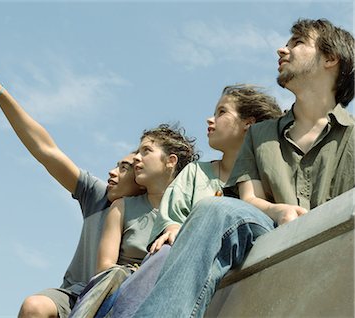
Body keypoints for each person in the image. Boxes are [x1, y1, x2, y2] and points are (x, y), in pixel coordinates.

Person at [129, 18, 354, 317]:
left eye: (297, 43)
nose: (281, 50)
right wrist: (278, 211)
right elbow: (249, 199)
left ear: (330, 58)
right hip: (268, 232)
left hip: (337, 244)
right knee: (215, 209)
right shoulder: (260, 135)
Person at [0, 47, 145, 318]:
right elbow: (45, 150)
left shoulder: (160, 212)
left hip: (121, 306)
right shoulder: (98, 195)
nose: (112, 172)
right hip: (74, 298)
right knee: (35, 306)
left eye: (124, 168)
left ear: (142, 177)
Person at [107, 84, 282, 318]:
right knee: (161, 256)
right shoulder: (195, 172)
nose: (210, 120)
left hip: (247, 262)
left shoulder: (266, 173)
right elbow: (171, 217)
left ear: (248, 124)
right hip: (190, 263)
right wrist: (171, 227)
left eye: (222, 112)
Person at [68, 124, 199, 317]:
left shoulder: (189, 210)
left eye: (146, 151)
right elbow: (105, 268)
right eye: (138, 152)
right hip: (119, 294)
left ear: (170, 161)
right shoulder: (122, 207)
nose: (137, 157)